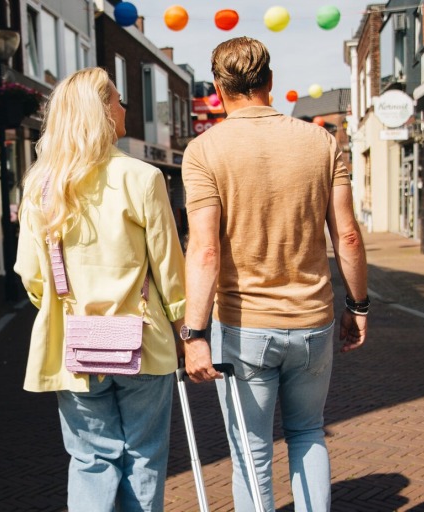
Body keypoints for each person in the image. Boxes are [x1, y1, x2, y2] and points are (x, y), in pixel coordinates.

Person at [180, 37, 369, 512]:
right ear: (269, 81)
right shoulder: (322, 143)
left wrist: (194, 333)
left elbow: (204, 250)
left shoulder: (204, 151)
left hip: (244, 327)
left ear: (220, 88)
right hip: (312, 322)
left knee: (251, 451)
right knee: (307, 432)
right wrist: (359, 307)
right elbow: (346, 236)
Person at [14, 67, 186, 511]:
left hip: (75, 342)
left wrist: (60, 305)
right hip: (143, 341)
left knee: (90, 457)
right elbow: (169, 269)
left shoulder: (41, 186)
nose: (124, 106)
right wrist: (186, 329)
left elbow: (32, 275)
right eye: (117, 99)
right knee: (144, 454)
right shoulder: (142, 178)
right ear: (101, 112)